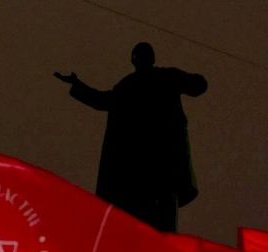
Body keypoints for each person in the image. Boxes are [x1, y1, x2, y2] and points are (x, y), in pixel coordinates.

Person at [55, 42, 207, 232]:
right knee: (159, 224)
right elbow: (198, 85)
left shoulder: (133, 84)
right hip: (157, 166)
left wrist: (77, 85)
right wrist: (77, 85)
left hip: (145, 168)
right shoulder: (158, 79)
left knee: (150, 222)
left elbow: (101, 100)